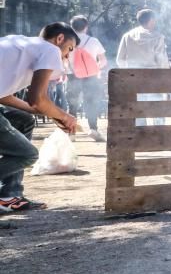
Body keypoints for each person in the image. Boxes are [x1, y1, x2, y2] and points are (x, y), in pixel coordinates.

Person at [1, 23, 79, 212]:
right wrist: (65, 116)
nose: (67, 56)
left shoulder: (22, 44)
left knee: (25, 120)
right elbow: (37, 99)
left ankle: (9, 195)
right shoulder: (50, 49)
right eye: (69, 48)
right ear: (59, 39)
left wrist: (47, 112)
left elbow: (5, 96)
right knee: (27, 154)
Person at [117, 9, 170, 126]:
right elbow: (162, 61)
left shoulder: (127, 36)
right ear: (151, 20)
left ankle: (141, 136)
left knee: (139, 110)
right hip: (153, 79)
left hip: (135, 79)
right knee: (157, 110)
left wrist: (129, 72)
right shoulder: (158, 37)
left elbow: (120, 59)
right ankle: (159, 135)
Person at [68, 15, 108, 142]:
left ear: (72, 27)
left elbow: (62, 60)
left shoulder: (67, 41)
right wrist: (96, 67)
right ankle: (93, 129)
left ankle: (71, 133)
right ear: (86, 27)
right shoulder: (93, 41)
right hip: (90, 76)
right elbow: (103, 61)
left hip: (72, 75)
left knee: (72, 104)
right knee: (91, 103)